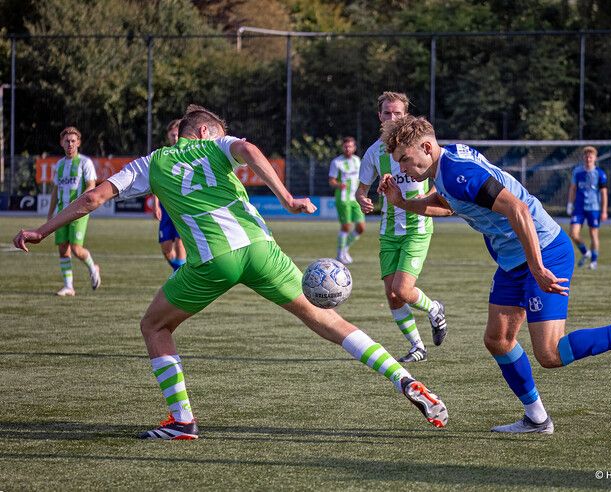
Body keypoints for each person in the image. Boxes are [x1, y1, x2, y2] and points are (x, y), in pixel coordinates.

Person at [14, 105, 448, 439]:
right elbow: (249, 150)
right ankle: (405, 379)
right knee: (328, 320)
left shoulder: (149, 163)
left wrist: (41, 229)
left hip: (213, 260)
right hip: (261, 249)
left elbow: (92, 199)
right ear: (204, 132)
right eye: (220, 132)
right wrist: (288, 196)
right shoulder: (215, 146)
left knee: (153, 325)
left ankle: (182, 420)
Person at [378, 115, 611, 434]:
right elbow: (450, 204)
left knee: (550, 353)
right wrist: (403, 203)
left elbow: (518, 210)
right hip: (513, 259)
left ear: (426, 147)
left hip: (545, 250)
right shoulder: (447, 163)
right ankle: (537, 418)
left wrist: (537, 267)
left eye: (404, 160)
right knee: (497, 339)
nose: (401, 169)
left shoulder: (455, 171)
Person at [355, 92, 447, 363]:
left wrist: (426, 197)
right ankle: (418, 347)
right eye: (387, 113)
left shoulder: (421, 147)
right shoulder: (374, 152)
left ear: (406, 116)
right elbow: (361, 191)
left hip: (417, 227)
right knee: (392, 295)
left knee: (404, 290)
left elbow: (437, 177)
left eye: (397, 114)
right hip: (388, 231)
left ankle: (434, 309)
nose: (392, 118)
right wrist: (363, 200)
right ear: (379, 116)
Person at [47, 126, 101, 296]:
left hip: (79, 211)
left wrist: (79, 204)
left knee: (76, 249)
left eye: (72, 141)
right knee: (63, 248)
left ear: (78, 142)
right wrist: (50, 214)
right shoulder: (60, 164)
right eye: (66, 141)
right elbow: (55, 190)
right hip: (61, 212)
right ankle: (69, 286)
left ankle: (93, 268)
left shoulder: (85, 163)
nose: (70, 144)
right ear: (61, 143)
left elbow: (91, 186)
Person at [152, 119, 187, 271]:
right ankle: (178, 270)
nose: (175, 138)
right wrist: (155, 204)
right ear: (168, 136)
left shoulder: (188, 154)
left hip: (182, 206)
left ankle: (182, 277)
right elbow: (156, 182)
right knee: (165, 248)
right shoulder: (162, 156)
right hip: (166, 208)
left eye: (178, 135)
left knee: (180, 241)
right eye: (173, 135)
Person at [566, 146, 608, 270]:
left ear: (595, 158)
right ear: (583, 157)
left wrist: (604, 210)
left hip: (594, 208)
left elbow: (604, 193)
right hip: (579, 207)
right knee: (573, 233)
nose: (588, 158)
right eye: (586, 156)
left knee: (594, 234)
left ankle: (593, 261)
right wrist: (569, 204)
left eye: (591, 156)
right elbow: (573, 188)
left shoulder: (600, 174)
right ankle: (586, 253)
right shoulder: (577, 172)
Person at [328, 136, 365, 264]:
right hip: (343, 198)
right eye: (345, 146)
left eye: (350, 146)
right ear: (342, 147)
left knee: (360, 227)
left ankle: (345, 249)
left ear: (354, 148)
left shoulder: (357, 160)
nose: (348, 148)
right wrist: (338, 185)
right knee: (346, 226)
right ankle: (340, 254)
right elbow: (331, 180)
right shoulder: (336, 162)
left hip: (355, 199)